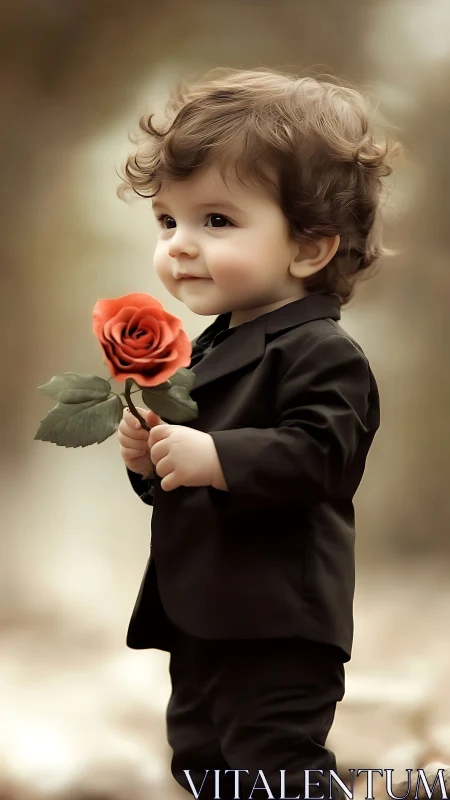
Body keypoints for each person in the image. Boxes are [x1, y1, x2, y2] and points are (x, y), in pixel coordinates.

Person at [116, 67, 400, 800]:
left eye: (216, 221)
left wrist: (215, 455)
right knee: (202, 760)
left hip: (278, 616)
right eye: (167, 221)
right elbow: (186, 483)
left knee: (275, 763)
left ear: (308, 249)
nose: (179, 244)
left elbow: (323, 458)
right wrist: (151, 461)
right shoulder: (210, 348)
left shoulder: (322, 352)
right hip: (204, 610)